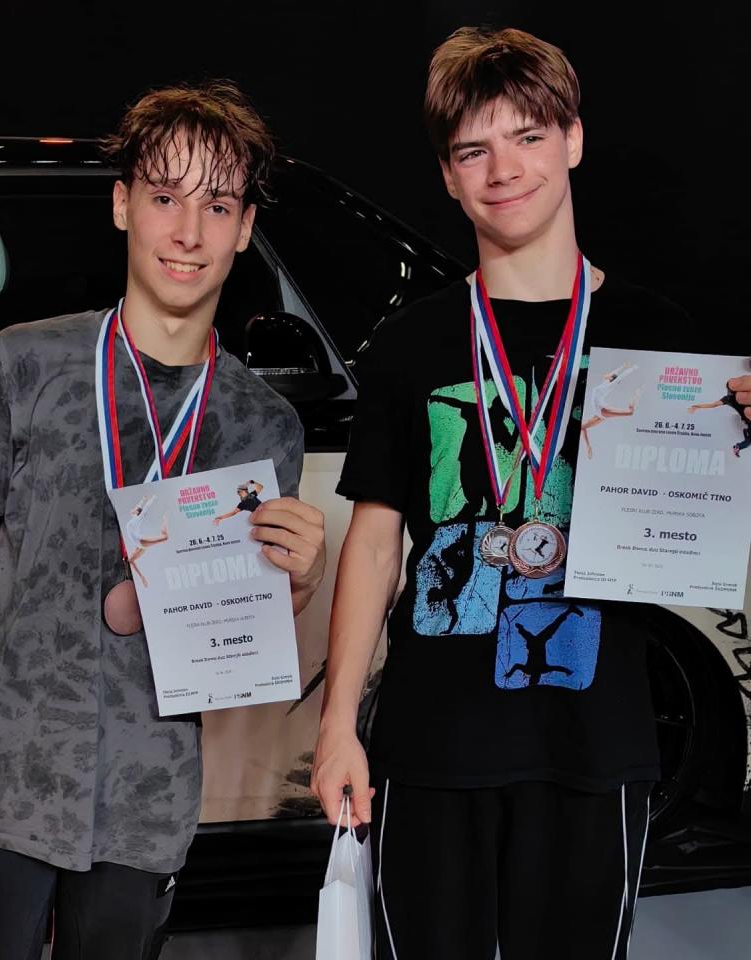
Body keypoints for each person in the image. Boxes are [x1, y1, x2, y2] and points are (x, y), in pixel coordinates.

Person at [311, 26, 750, 960]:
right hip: (432, 743)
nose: (504, 169)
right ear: (447, 176)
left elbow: (708, 534)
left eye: (528, 136)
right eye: (473, 150)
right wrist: (338, 725)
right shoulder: (413, 343)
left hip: (596, 744)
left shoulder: (655, 336)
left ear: (574, 140)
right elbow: (375, 541)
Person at [0, 81, 326, 960]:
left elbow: (239, 620)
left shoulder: (261, 423)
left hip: (145, 788)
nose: (188, 232)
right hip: (4, 766)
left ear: (245, 228)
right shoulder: (27, 363)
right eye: (165, 198)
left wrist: (301, 580)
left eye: (217, 206)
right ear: (123, 204)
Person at [580, 360, 641, 457]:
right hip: (599, 414)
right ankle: (588, 447)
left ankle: (636, 395)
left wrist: (633, 368)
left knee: (630, 412)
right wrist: (623, 366)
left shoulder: (611, 384)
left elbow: (620, 376)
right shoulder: (605, 383)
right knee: (582, 427)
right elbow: (613, 373)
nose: (608, 376)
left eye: (611, 376)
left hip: (602, 411)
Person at [689, 385, 751, 457]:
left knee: (749, 440)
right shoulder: (728, 398)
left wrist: (696, 406)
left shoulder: (730, 398)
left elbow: (712, 405)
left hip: (747, 419)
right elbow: (712, 405)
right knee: (749, 441)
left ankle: (744, 435)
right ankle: (739, 444)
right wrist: (696, 406)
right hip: (747, 419)